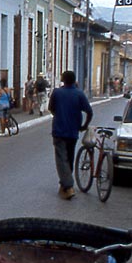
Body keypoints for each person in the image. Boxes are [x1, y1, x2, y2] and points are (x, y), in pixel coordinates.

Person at [47, 70, 93, 199]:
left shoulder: (57, 93)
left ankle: (68, 186)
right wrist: (84, 125)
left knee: (61, 159)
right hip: (73, 132)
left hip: (59, 130)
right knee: (69, 158)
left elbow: (51, 108)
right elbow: (89, 112)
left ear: (63, 80)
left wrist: (58, 115)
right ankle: (65, 185)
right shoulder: (79, 94)